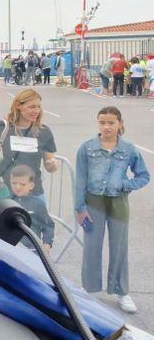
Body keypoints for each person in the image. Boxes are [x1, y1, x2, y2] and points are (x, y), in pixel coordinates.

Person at [75, 106, 150, 313]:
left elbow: (144, 176)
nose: (106, 126)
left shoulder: (129, 149)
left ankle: (121, 291)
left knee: (119, 248)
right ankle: (87, 288)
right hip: (93, 202)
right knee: (91, 246)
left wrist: (126, 185)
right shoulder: (86, 148)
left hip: (118, 202)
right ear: (97, 123)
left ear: (120, 124)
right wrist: (79, 207)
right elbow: (80, 179)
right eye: (102, 122)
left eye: (111, 122)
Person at [0, 88, 59, 202]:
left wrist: (52, 164)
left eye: (39, 107)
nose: (37, 111)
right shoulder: (2, 127)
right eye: (32, 107)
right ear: (18, 106)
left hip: (34, 193)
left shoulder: (44, 131)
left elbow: (50, 165)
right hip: (5, 192)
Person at [8, 165, 54, 253]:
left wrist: (47, 243)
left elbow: (48, 226)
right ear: (10, 182)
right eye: (14, 183)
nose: (17, 187)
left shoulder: (38, 204)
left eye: (22, 184)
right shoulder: (6, 201)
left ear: (31, 185)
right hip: (11, 249)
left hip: (32, 250)